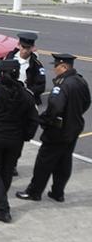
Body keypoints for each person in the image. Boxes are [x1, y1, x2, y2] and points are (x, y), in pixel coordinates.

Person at [17, 53, 91, 202]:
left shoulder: (63, 85)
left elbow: (55, 107)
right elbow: (87, 102)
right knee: (64, 161)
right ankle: (58, 192)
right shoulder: (80, 81)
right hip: (73, 128)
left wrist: (45, 120)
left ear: (64, 67)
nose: (54, 69)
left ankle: (34, 192)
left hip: (58, 131)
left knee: (43, 162)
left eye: (56, 66)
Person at [0, 60, 39, 223]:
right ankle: (0, 205)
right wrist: (25, 136)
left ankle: (2, 209)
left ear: (1, 74)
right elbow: (33, 120)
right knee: (7, 171)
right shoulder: (26, 95)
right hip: (15, 141)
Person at [0, 31, 46, 176]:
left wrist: (26, 93)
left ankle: (12, 164)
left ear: (32, 48)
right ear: (18, 45)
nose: (25, 50)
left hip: (23, 101)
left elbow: (40, 86)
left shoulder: (36, 64)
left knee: (17, 134)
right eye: (23, 47)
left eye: (28, 48)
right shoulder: (9, 57)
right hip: (4, 98)